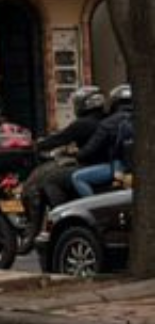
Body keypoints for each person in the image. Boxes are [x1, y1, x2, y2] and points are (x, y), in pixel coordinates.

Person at [23, 86, 106, 225]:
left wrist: (35, 145)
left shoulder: (83, 123)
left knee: (50, 179)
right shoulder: (105, 118)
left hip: (91, 165)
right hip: (101, 164)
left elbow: (60, 138)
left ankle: (63, 217)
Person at [73, 85, 133, 198]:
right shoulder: (146, 118)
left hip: (121, 167)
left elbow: (90, 149)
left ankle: (95, 207)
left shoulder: (108, 123)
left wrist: (78, 154)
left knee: (77, 177)